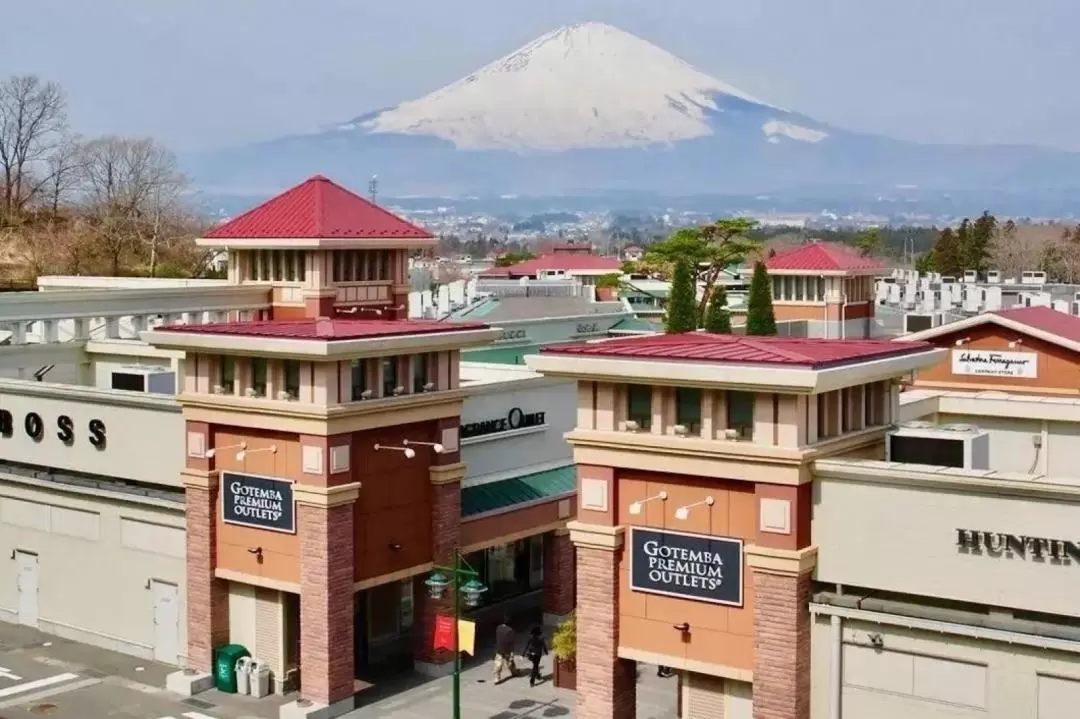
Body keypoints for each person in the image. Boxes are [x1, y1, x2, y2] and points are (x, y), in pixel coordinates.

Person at [493, 617, 516, 683]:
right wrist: (512, 652)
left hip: (499, 649)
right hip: (507, 650)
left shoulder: (498, 628)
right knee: (510, 662)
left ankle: (497, 678)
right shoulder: (510, 630)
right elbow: (511, 642)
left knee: (498, 664)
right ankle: (514, 672)